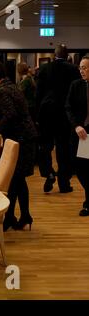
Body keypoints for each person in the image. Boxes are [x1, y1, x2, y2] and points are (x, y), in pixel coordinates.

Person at [0, 60, 37, 231]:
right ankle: (21, 217)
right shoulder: (11, 86)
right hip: (25, 137)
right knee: (17, 179)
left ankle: (10, 218)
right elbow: (10, 114)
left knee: (15, 179)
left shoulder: (2, 91)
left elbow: (11, 115)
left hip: (21, 139)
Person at [36, 44, 81, 193]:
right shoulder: (73, 69)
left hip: (46, 113)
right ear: (67, 55)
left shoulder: (43, 69)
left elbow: (38, 94)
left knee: (45, 147)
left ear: (54, 55)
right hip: (64, 114)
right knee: (63, 148)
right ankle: (64, 182)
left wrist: (37, 115)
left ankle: (48, 172)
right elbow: (76, 95)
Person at [65, 55, 89, 216]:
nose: (81, 70)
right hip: (83, 134)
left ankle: (88, 204)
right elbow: (68, 107)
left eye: (85, 67)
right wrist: (76, 125)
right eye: (80, 67)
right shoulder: (76, 85)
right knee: (81, 168)